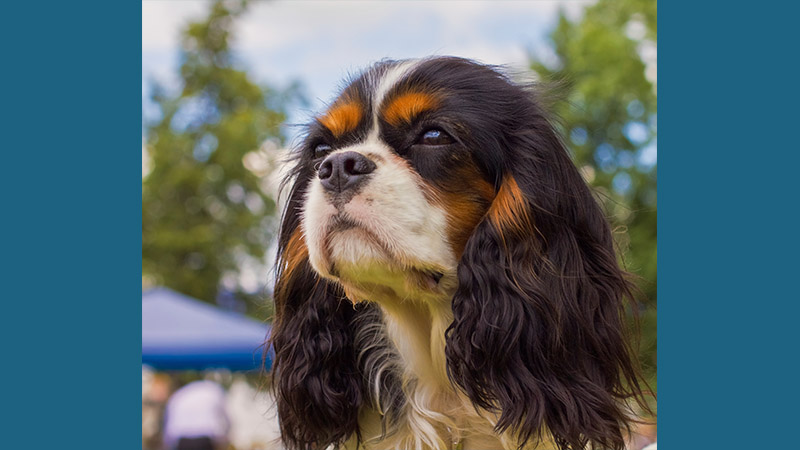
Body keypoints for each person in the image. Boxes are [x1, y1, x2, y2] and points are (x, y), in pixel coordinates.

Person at [163, 380, 230, 450]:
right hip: (204, 439)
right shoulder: (216, 391)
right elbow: (226, 417)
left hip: (183, 440)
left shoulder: (179, 394)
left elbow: (169, 428)